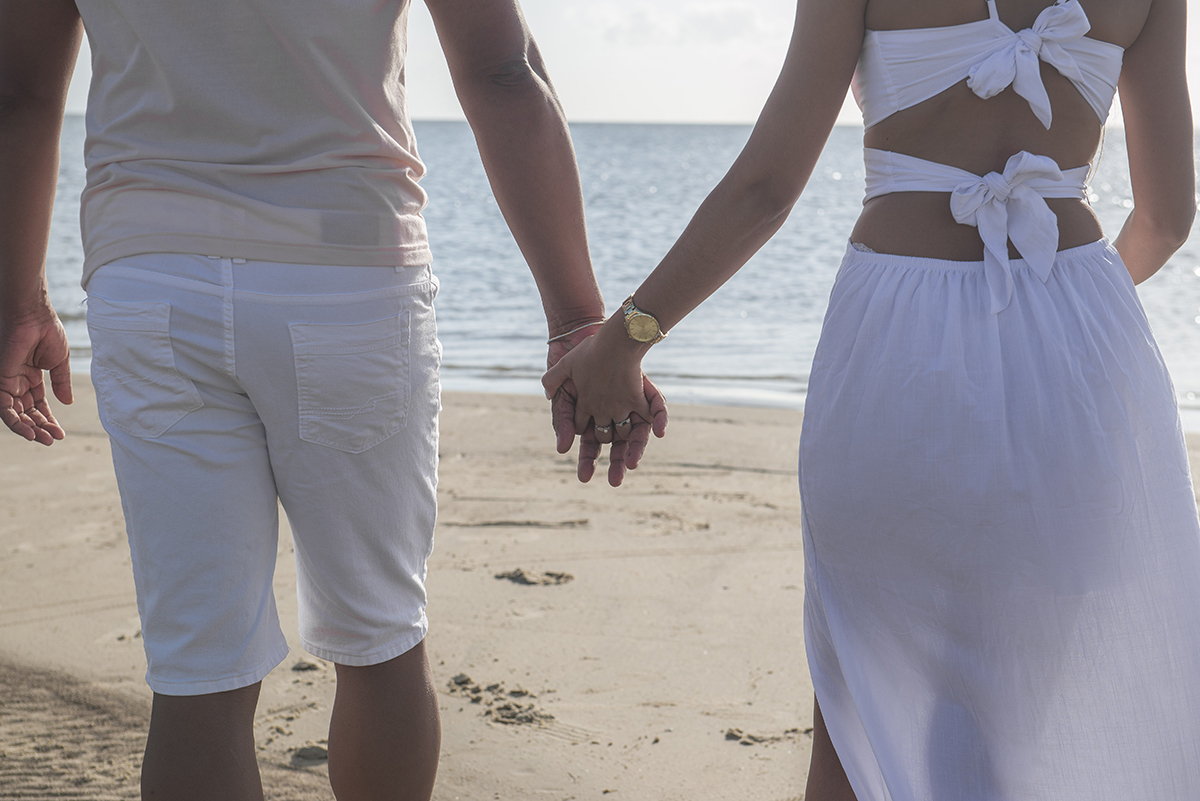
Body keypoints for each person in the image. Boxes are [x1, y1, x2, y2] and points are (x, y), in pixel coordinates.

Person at [0, 0, 664, 799]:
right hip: (348, 274)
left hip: (151, 276)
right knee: (379, 639)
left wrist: (20, 300)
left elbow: (21, 87)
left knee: (196, 673)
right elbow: (501, 72)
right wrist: (576, 319)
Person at [545, 0, 1200, 797]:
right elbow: (1167, 216)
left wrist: (628, 337)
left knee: (855, 730)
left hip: (899, 342)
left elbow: (766, 190)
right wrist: (1047, 325)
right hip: (1079, 351)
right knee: (1018, 713)